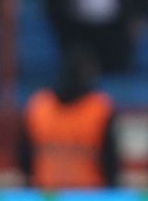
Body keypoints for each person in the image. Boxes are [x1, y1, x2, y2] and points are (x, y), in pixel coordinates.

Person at [17, 49, 117, 190]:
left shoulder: (39, 106)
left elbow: (23, 162)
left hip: (52, 200)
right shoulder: (99, 108)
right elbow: (111, 166)